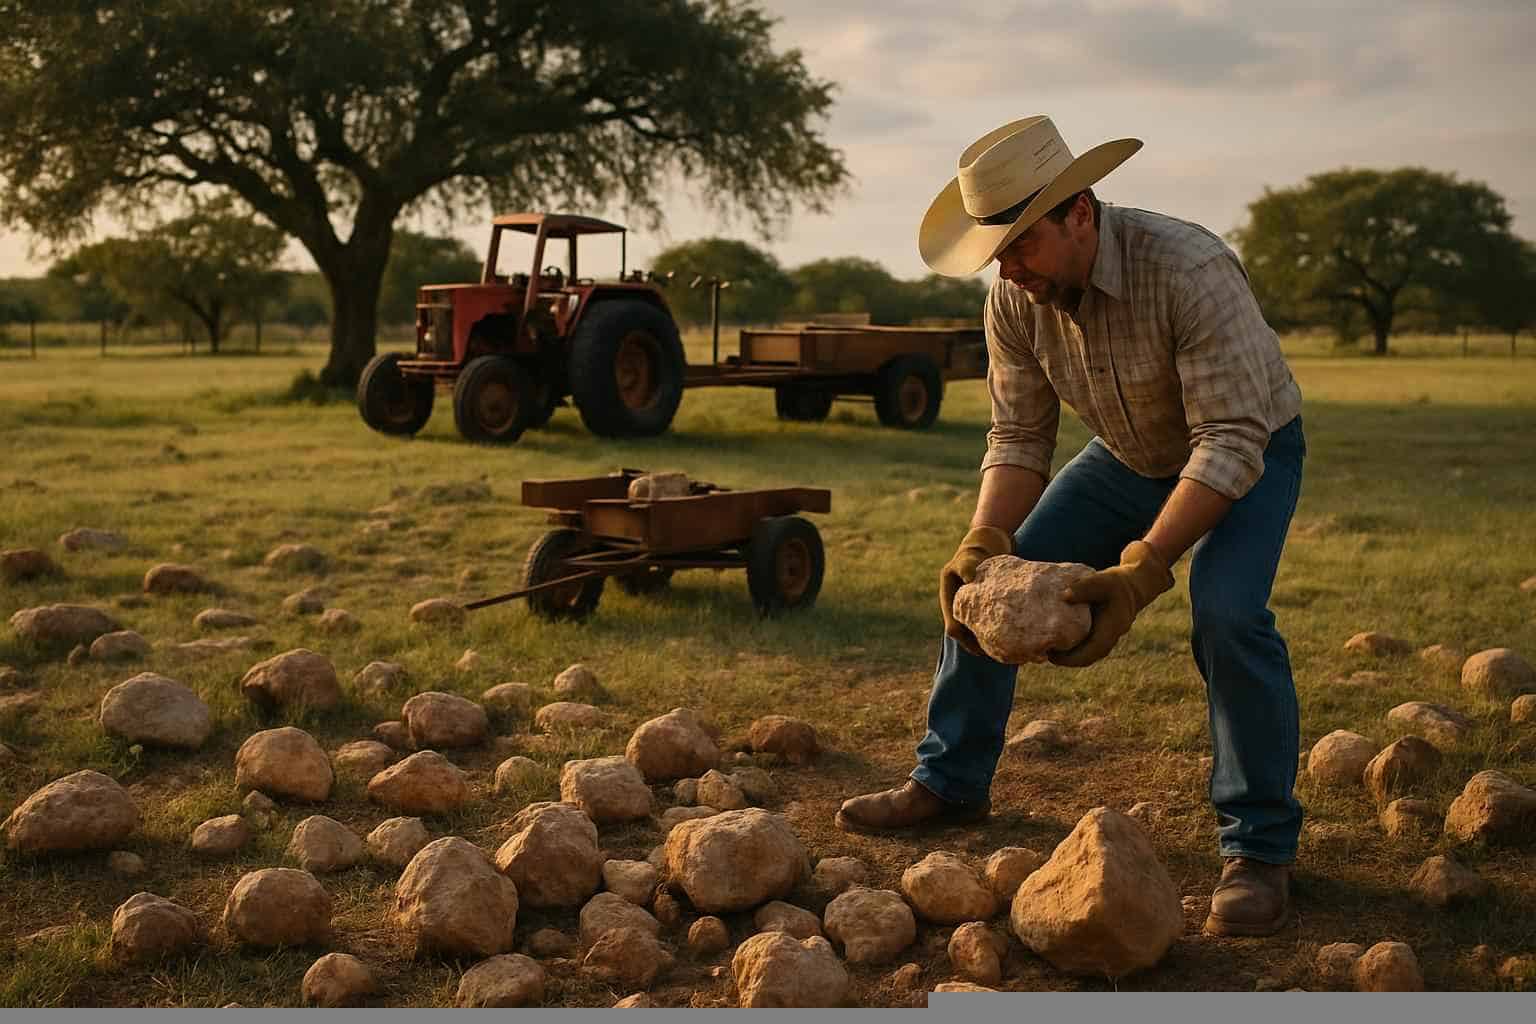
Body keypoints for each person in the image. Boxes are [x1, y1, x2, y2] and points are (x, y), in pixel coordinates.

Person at [835, 115, 1306, 939]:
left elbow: (1229, 439)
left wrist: (1141, 571)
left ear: (1080, 212)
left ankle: (1259, 849)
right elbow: (1018, 437)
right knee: (983, 589)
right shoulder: (1015, 303)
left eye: (1020, 245)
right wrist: (982, 543)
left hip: (1251, 444)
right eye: (996, 252)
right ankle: (950, 782)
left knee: (1228, 615)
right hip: (1127, 454)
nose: (1007, 270)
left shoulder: (1189, 269)